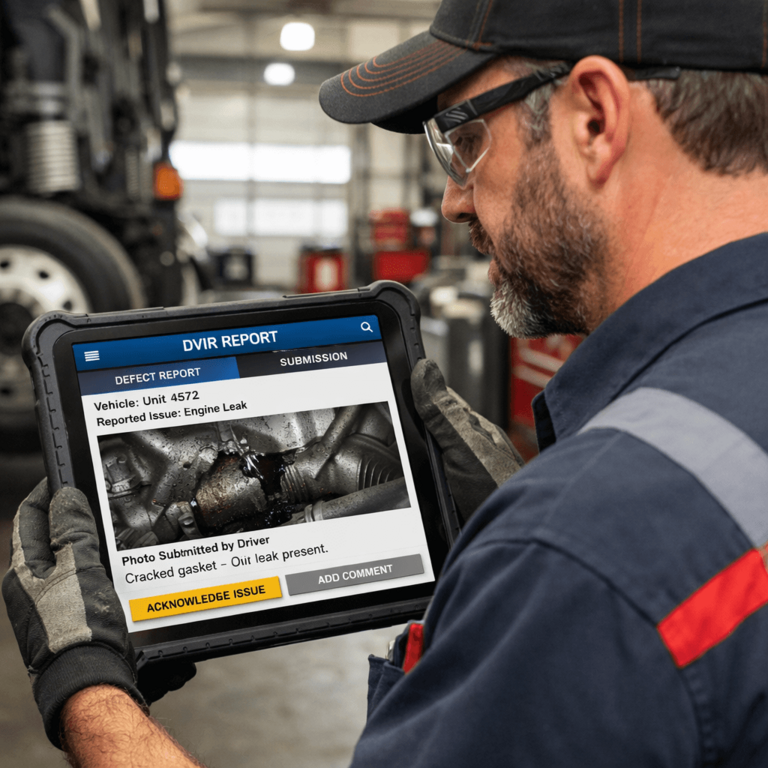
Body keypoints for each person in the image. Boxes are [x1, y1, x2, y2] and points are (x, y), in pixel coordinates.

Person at [5, 0, 768, 764]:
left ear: (595, 118)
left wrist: (88, 691)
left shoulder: (580, 553)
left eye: (464, 140)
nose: (452, 199)